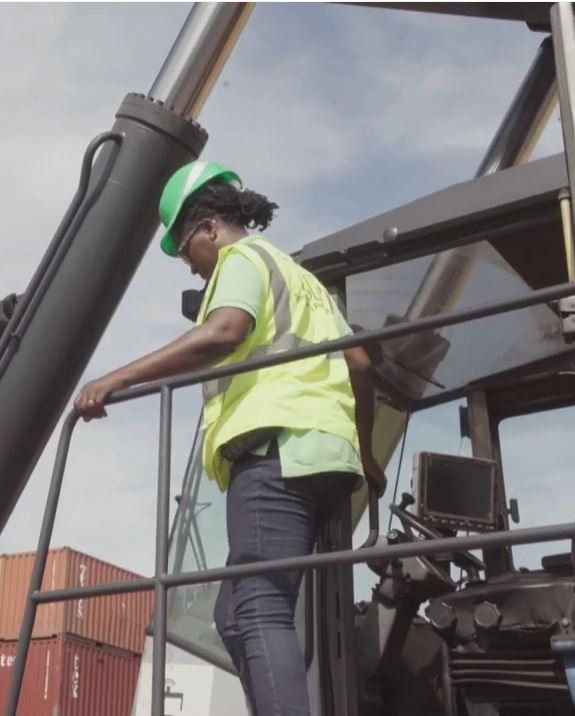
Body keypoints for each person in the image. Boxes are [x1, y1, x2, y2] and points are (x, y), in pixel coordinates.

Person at [72, 160, 386, 715]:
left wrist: (114, 378)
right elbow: (359, 363)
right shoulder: (304, 280)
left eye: (186, 247)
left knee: (259, 607)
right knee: (230, 614)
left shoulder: (243, 259)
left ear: (211, 227)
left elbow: (224, 332)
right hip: (327, 460)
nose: (191, 269)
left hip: (275, 452)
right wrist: (364, 452)